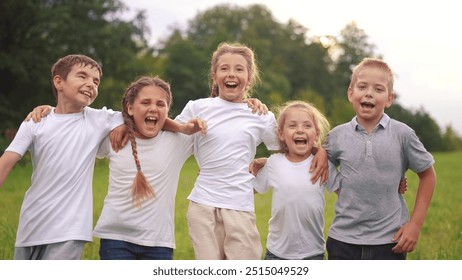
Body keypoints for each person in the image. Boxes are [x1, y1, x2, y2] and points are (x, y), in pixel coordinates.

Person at [173, 42, 328, 260]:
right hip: (203, 205)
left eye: (239, 69)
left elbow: (289, 147)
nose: (231, 74)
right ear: (214, 75)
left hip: (240, 204)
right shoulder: (197, 107)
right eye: (224, 68)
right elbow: (171, 137)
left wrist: (318, 150)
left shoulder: (261, 115)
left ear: (249, 77)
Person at [0, 54, 125, 260]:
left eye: (96, 81)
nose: (90, 84)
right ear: (59, 82)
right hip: (31, 224)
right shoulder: (36, 122)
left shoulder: (98, 119)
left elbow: (138, 113)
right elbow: (5, 164)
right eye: (82, 76)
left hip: (70, 228)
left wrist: (181, 126)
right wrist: (47, 109)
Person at [324, 58, 436, 260]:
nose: (369, 93)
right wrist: (340, 185)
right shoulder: (336, 136)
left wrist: (415, 225)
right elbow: (317, 158)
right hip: (343, 240)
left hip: (390, 241)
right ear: (351, 93)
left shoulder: (403, 134)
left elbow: (428, 175)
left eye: (378, 89)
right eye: (362, 86)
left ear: (389, 98)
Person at [93, 76, 206, 260]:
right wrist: (49, 112)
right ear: (130, 108)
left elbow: (221, 114)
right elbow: (81, 121)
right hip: (115, 239)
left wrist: (246, 102)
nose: (153, 108)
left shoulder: (176, 142)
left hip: (158, 243)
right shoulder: (115, 138)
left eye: (160, 104)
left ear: (167, 110)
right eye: (145, 102)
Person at [251, 100, 339, 260]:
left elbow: (350, 194)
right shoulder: (274, 163)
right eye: (292, 126)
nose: (300, 130)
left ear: (317, 134)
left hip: (313, 255)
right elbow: (246, 191)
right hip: (276, 254)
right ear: (281, 134)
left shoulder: (323, 165)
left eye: (307, 126)